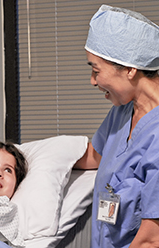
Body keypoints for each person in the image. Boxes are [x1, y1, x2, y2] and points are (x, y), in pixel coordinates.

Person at [74, 4, 159, 248]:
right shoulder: (122, 111)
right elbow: (98, 156)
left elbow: (151, 241)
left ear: (130, 69)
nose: (93, 81)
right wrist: (25, 159)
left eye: (96, 69)